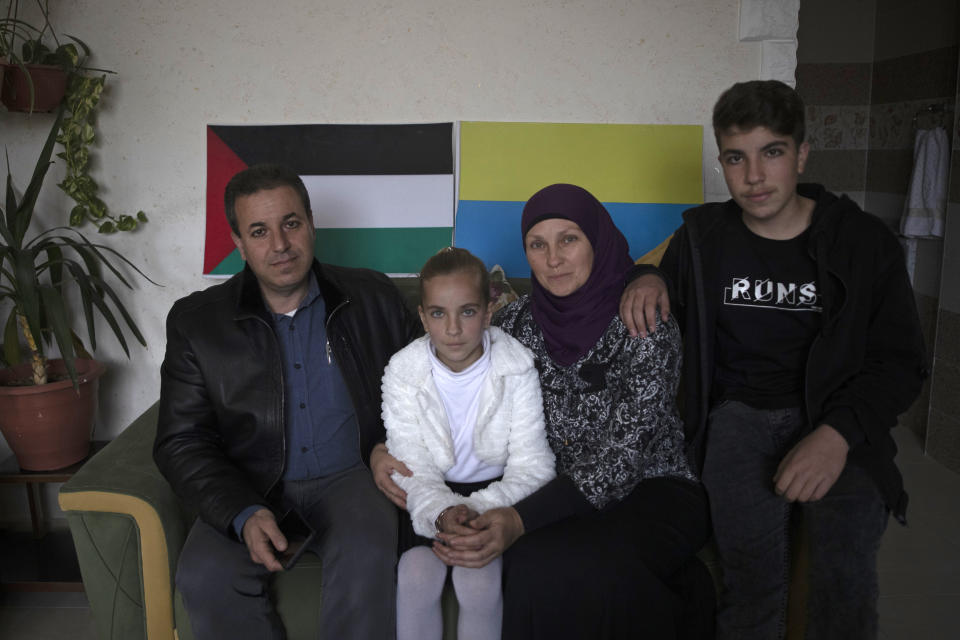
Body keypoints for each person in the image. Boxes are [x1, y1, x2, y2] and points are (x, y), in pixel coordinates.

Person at [633, 80, 927, 639]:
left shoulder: (863, 242)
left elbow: (901, 361)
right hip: (738, 416)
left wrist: (836, 435)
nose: (754, 176)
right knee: (750, 583)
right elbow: (650, 272)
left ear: (802, 154)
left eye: (772, 152)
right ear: (721, 161)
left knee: (844, 577)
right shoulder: (703, 238)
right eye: (736, 158)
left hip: (840, 416)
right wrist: (644, 275)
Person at [380, 183, 712, 638]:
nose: (553, 258)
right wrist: (384, 448)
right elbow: (439, 373)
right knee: (530, 565)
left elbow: (623, 459)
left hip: (650, 487)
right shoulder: (513, 326)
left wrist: (518, 519)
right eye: (537, 245)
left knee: (592, 567)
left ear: (598, 241)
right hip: (549, 492)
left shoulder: (644, 321)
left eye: (569, 239)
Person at [153, 163, 420, 639]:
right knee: (205, 577)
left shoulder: (373, 297)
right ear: (239, 243)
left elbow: (429, 395)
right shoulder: (198, 323)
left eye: (291, 224)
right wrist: (240, 512)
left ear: (311, 224)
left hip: (353, 479)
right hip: (248, 483)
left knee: (367, 553)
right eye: (259, 231)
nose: (279, 245)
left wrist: (385, 446)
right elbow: (181, 440)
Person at [382, 247, 555, 640]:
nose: (454, 329)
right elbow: (410, 462)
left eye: (468, 311)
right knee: (415, 574)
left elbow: (535, 466)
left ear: (489, 312)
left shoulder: (516, 367)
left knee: (478, 580)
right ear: (423, 317)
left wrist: (476, 510)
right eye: (439, 314)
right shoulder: (403, 372)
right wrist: (442, 512)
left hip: (496, 497)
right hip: (429, 496)